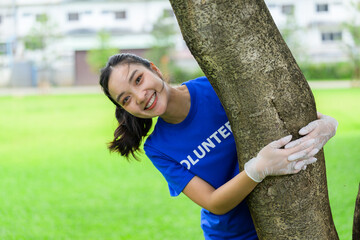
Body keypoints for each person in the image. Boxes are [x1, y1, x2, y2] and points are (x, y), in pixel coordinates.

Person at [99, 53, 338, 240]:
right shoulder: (158, 148)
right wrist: (258, 169)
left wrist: (328, 124)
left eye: (138, 79)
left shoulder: (214, 88)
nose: (139, 96)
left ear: (154, 69)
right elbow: (213, 202)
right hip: (233, 235)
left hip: (288, 218)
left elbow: (279, 117)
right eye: (126, 99)